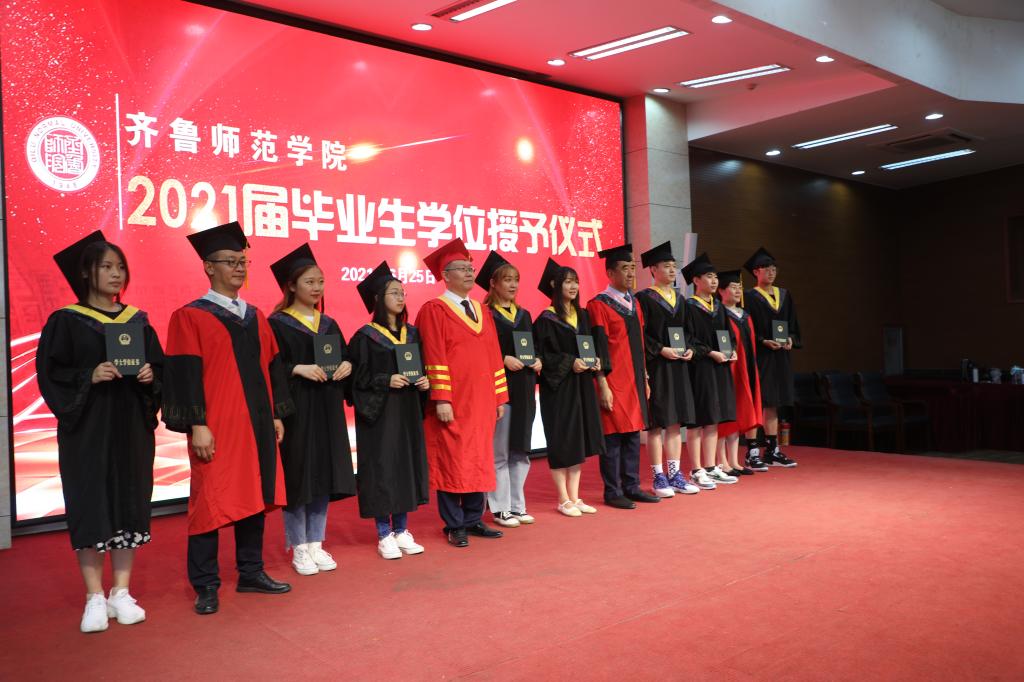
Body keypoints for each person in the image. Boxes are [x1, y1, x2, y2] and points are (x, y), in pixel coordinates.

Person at [162, 221, 293, 616]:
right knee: (209, 502)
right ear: (209, 266)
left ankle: (251, 571)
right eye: (231, 262)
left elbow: (272, 367)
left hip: (256, 424)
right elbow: (184, 375)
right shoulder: (189, 316)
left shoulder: (255, 316)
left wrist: (276, 414)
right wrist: (196, 424)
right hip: (216, 427)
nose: (239, 268)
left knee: (254, 494)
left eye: (243, 262)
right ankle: (205, 583)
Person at [37, 231, 164, 633]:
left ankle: (120, 591)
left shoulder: (138, 321)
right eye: (106, 266)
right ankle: (94, 596)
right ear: (86, 272)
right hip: (87, 430)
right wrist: (88, 375)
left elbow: (161, 369)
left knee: (130, 500)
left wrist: (151, 375)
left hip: (130, 428)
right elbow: (51, 374)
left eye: (120, 267)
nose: (116, 274)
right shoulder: (65, 321)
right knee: (90, 502)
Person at [268, 243, 356, 575]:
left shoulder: (328, 323)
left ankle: (316, 542)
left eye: (320, 281)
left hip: (327, 406)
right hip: (298, 409)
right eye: (309, 282)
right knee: (298, 475)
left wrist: (347, 365)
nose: (317, 288)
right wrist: (296, 368)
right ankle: (299, 547)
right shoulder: (277, 324)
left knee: (323, 473)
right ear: (291, 285)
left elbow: (343, 356)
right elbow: (270, 367)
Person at [415, 239, 508, 548]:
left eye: (471, 268)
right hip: (453, 402)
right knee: (452, 460)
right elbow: (433, 356)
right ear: (445, 275)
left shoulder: (482, 310)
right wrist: (441, 398)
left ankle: (473, 519)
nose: (469, 273)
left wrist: (499, 397)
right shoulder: (434, 310)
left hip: (481, 400)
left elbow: (494, 355)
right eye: (461, 269)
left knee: (479, 458)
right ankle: (454, 524)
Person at [350, 262, 431, 559]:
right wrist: (385, 380)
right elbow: (355, 380)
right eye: (394, 292)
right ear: (378, 298)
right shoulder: (365, 337)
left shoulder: (413, 334)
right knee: (383, 469)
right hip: (380, 414)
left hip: (407, 411)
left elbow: (421, 366)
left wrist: (425, 382)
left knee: (404, 466)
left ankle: (402, 530)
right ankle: (384, 533)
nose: (400, 297)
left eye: (402, 292)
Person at [587, 244, 660, 509]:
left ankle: (632, 486)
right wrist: (602, 383)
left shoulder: (635, 304)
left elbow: (639, 345)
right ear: (610, 273)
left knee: (632, 434)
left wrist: (646, 378)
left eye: (632, 268)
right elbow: (598, 347)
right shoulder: (598, 305)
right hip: (613, 380)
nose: (631, 274)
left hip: (635, 379)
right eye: (625, 269)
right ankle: (613, 490)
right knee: (613, 435)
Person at [534, 259, 605, 517]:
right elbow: (541, 356)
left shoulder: (583, 315)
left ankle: (575, 496)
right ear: (556, 285)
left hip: (581, 384)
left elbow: (589, 345)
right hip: (559, 388)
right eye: (568, 282)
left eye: (576, 281)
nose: (573, 286)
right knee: (562, 440)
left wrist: (594, 361)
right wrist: (569, 362)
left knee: (578, 440)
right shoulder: (545, 319)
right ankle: (562, 499)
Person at [476, 251, 541, 528]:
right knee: (500, 451)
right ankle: (500, 508)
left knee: (521, 449)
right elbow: (479, 351)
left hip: (524, 387)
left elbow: (533, 346)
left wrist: (538, 360)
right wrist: (502, 359)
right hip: (500, 389)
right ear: (493, 283)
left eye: (516, 279)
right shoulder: (485, 315)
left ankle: (517, 505)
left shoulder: (524, 315)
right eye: (507, 279)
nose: (513, 285)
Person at [636, 241, 699, 497]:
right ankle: (658, 476)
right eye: (666, 266)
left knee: (674, 423)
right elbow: (641, 334)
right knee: (657, 423)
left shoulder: (681, 300)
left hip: (678, 365)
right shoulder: (643, 298)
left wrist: (690, 348)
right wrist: (660, 349)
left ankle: (675, 474)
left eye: (674, 266)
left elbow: (689, 332)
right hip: (658, 366)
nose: (673, 270)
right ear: (653, 269)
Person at [681, 253, 738, 490]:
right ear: (696, 280)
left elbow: (729, 335)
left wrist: (732, 350)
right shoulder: (689, 306)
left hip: (720, 366)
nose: (714, 281)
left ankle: (712, 466)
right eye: (708, 276)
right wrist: (710, 352)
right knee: (699, 419)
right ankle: (696, 470)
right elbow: (688, 339)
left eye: (715, 277)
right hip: (701, 367)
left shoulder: (719, 307)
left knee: (714, 417)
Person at [743, 247, 800, 468]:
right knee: (759, 401)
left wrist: (791, 339)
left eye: (774, 268)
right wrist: (761, 341)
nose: (771, 272)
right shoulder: (749, 297)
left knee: (774, 403)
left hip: (780, 356)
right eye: (766, 268)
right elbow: (746, 327)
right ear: (756, 272)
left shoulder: (784, 295)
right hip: (761, 355)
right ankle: (752, 451)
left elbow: (793, 324)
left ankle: (772, 450)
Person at [716, 270, 764, 475]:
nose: (738, 291)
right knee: (726, 415)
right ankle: (721, 462)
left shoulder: (745, 315)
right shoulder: (718, 313)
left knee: (738, 413)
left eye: (739, 287)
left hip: (746, 368)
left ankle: (734, 461)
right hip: (728, 368)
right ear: (721, 291)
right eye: (733, 287)